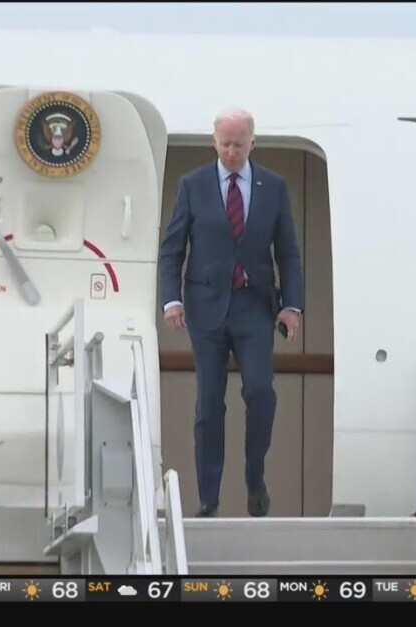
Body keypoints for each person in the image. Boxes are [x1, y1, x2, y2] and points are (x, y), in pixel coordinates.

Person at [159, 108, 304, 518]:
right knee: (209, 404)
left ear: (252, 142)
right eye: (225, 144)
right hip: (205, 307)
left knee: (260, 391)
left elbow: (288, 252)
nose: (232, 152)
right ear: (214, 142)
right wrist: (171, 299)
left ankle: (255, 478)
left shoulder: (273, 187)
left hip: (254, 305)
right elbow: (173, 248)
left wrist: (291, 306)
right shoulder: (193, 185)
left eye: (239, 144)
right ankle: (209, 499)